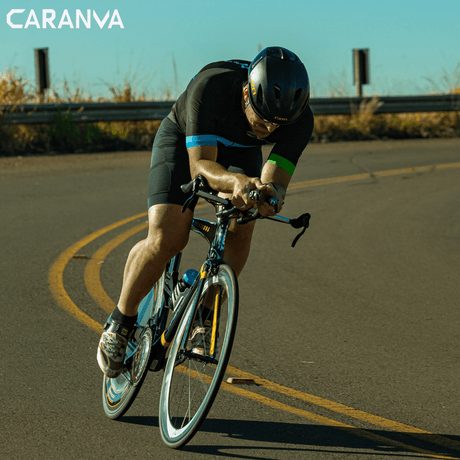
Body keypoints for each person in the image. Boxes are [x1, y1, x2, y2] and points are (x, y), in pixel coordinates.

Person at [97, 46, 314, 378]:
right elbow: (200, 166)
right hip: (185, 142)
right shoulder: (210, 86)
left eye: (276, 126)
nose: (268, 130)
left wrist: (270, 195)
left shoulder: (299, 119)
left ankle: (205, 312)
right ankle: (121, 322)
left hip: (241, 153)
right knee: (168, 236)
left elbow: (276, 177)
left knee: (244, 225)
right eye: (262, 119)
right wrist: (236, 182)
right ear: (247, 95)